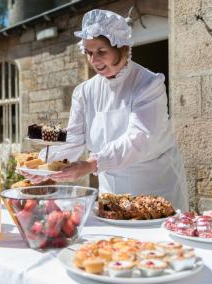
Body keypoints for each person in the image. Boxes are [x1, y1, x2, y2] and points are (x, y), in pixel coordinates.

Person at [25, 9, 188, 211]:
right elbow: (74, 139)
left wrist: (92, 164)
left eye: (101, 52)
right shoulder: (84, 92)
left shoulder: (149, 84)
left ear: (123, 48)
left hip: (155, 188)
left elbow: (140, 138)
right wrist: (42, 165)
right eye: (88, 52)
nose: (93, 61)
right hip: (111, 192)